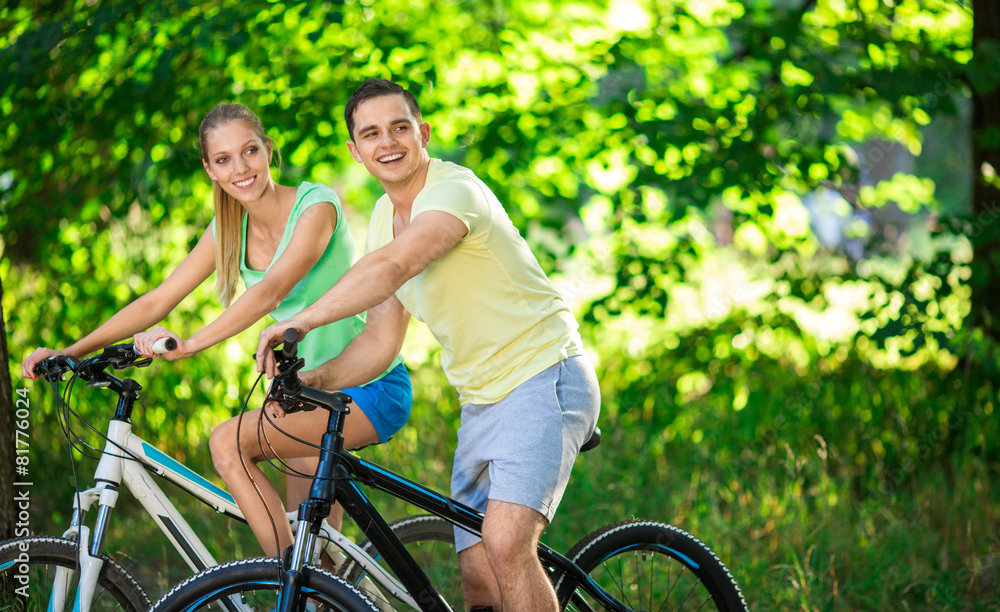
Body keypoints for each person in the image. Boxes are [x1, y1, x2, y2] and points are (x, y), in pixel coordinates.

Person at [256, 79, 601, 611]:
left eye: (400, 127)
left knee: (507, 544)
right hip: (481, 400)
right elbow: (381, 338)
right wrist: (314, 381)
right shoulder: (380, 218)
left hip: (543, 377)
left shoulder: (452, 190)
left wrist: (300, 322)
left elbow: (397, 264)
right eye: (371, 133)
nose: (388, 141)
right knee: (478, 574)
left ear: (424, 132)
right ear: (355, 150)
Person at [21, 102, 412, 559]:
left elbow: (269, 293)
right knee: (317, 554)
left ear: (268, 150)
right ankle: (310, 593)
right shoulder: (229, 228)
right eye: (223, 159)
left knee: (227, 442)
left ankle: (289, 587)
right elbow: (158, 300)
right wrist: (69, 351)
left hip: (369, 385)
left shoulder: (316, 205)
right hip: (302, 393)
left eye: (249, 151)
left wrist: (189, 346)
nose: (240, 168)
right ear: (209, 169)